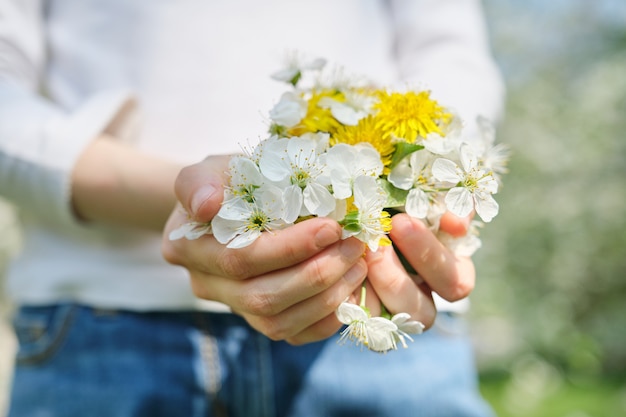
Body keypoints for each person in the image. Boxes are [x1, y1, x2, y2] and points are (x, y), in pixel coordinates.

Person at [0, 1, 504, 416]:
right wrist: (206, 203)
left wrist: (429, 178)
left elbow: (453, 59)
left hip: (377, 314)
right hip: (105, 331)